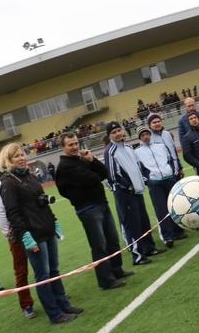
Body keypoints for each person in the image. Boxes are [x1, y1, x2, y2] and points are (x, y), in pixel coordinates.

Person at [0, 143, 83, 325]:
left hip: (47, 228)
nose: (21, 158)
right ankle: (55, 314)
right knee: (42, 276)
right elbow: (12, 214)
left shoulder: (29, 175)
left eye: (22, 154)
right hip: (33, 234)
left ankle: (64, 304)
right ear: (8, 160)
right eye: (16, 156)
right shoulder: (8, 183)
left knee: (54, 270)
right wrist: (26, 237)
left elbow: (42, 202)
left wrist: (54, 221)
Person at [55, 132, 134, 289]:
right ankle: (106, 280)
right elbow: (91, 178)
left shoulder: (82, 159)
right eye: (70, 145)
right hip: (87, 208)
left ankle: (116, 270)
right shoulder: (65, 167)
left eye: (76, 143)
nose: (75, 147)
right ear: (63, 147)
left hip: (101, 203)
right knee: (99, 245)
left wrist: (92, 160)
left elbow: (103, 173)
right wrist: (92, 173)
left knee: (112, 239)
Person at [103, 121, 167, 265]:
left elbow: (139, 167)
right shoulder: (110, 151)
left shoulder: (128, 147)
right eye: (114, 132)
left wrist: (145, 179)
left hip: (137, 191)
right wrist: (129, 186)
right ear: (109, 136)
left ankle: (149, 248)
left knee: (143, 221)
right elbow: (113, 175)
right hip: (125, 194)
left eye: (119, 130)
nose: (118, 134)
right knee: (132, 224)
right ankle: (137, 255)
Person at [134, 126, 189, 247]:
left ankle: (178, 231)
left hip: (169, 178)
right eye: (142, 135)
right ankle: (168, 236)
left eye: (146, 134)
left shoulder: (161, 146)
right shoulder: (137, 152)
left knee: (174, 206)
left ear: (149, 134)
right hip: (155, 182)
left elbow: (170, 159)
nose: (145, 137)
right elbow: (139, 169)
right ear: (140, 137)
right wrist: (147, 180)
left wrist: (173, 173)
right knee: (161, 210)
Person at [0, 178, 38, 319]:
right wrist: (10, 233)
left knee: (44, 265)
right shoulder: (2, 184)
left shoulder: (26, 177)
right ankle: (26, 304)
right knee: (21, 269)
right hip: (17, 233)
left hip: (35, 228)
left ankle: (55, 293)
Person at [146, 112, 184, 181]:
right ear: (149, 125)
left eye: (158, 121)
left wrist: (180, 168)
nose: (157, 124)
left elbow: (174, 152)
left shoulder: (167, 134)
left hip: (175, 170)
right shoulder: (148, 138)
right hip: (163, 174)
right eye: (154, 122)